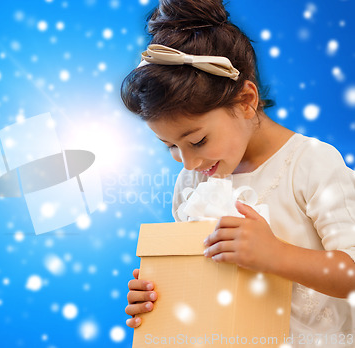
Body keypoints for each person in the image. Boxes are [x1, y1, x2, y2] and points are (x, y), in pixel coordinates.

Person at [121, 0, 355, 346]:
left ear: (246, 100)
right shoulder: (192, 182)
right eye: (170, 146)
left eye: (197, 140)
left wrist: (277, 255)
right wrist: (161, 291)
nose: (187, 162)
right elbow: (203, 283)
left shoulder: (311, 164)